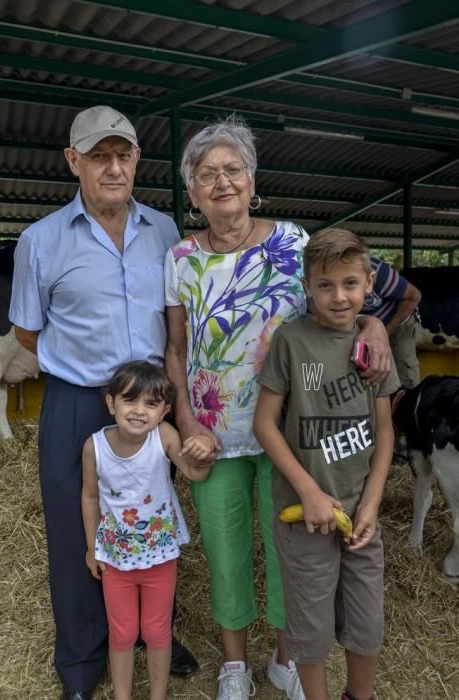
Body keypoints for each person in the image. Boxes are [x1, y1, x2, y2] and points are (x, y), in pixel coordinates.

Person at [164, 117, 391, 700]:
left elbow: (341, 297)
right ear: (192, 193)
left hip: (290, 434)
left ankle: (287, 658)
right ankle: (235, 666)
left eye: (232, 169)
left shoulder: (292, 242)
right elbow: (177, 346)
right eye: (207, 174)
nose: (222, 182)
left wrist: (374, 325)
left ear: (252, 179)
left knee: (296, 552)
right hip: (212, 436)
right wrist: (186, 421)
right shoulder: (181, 259)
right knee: (225, 552)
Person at [9, 105, 199, 700]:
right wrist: (86, 373)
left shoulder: (166, 231)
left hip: (149, 406)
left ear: (137, 160)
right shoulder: (39, 241)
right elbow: (28, 333)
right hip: (77, 403)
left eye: (123, 155)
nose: (113, 167)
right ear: (74, 161)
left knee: (153, 517)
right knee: (77, 529)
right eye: (99, 156)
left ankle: (157, 629)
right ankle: (82, 661)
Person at [254, 228, 400, 700]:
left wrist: (372, 505)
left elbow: (384, 432)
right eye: (325, 285)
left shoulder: (374, 348)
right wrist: (309, 492)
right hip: (306, 516)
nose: (339, 296)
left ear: (368, 283)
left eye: (350, 284)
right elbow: (265, 424)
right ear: (308, 287)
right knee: (310, 628)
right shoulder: (291, 343)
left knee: (367, 621)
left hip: (361, 513)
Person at [82, 361, 212, 700]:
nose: (140, 411)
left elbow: (194, 473)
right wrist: (91, 547)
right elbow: (90, 496)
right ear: (111, 403)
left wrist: (204, 454)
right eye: (130, 401)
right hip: (115, 560)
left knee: (157, 631)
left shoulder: (165, 436)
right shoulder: (94, 447)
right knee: (122, 633)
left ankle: (158, 696)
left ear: (165, 411)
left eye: (151, 404)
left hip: (160, 558)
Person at [361, 256, 422, 389]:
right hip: (367, 325)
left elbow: (415, 296)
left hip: (399, 321)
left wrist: (385, 332)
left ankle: (410, 402)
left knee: (404, 368)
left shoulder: (378, 272)